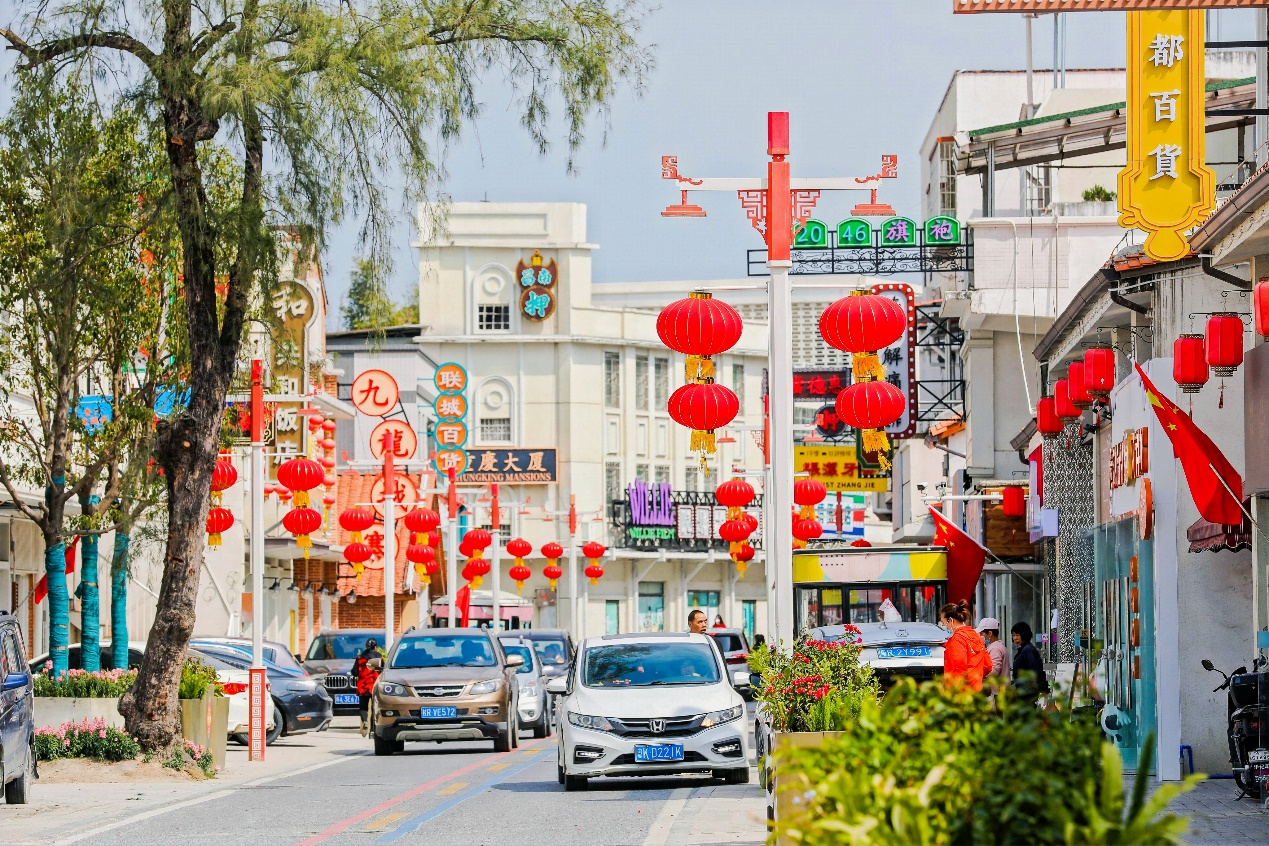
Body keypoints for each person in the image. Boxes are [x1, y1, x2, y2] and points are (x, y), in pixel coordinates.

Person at [939, 601, 993, 692]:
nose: (945, 626)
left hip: (961, 693)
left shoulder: (957, 639)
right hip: (977, 690)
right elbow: (988, 666)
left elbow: (958, 668)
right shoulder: (977, 637)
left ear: (951, 620)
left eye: (944, 623)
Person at [1010, 621, 1050, 701]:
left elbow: (1036, 671)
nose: (1015, 638)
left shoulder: (1028, 650)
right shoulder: (1024, 650)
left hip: (1028, 695)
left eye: (1017, 635)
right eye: (1013, 635)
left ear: (1024, 634)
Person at [353, 638, 381, 737]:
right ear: (375, 647)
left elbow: (354, 672)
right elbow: (383, 670)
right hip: (374, 686)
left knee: (363, 707)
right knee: (375, 708)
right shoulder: (379, 657)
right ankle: (373, 731)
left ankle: (365, 721)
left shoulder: (360, 657)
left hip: (363, 686)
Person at [976, 617, 1010, 683]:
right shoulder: (997, 646)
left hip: (997, 691)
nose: (980, 635)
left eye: (982, 633)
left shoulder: (995, 649)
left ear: (990, 634)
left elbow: (993, 671)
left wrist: (979, 678)